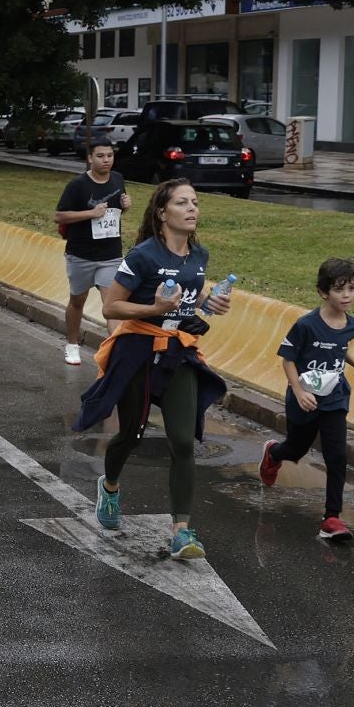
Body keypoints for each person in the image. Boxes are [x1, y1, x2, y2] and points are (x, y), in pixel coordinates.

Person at [74, 179, 233, 560]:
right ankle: (110, 486)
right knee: (130, 435)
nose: (193, 208)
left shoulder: (199, 256)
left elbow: (185, 304)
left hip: (179, 351)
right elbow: (112, 307)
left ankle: (182, 530)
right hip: (137, 351)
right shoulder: (143, 256)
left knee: (182, 440)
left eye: (195, 202)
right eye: (183, 202)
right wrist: (155, 311)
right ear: (163, 212)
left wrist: (208, 305)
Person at [260, 257, 354, 541]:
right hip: (304, 398)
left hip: (334, 398)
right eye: (339, 290)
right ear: (323, 292)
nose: (346, 296)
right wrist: (298, 391)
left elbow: (338, 349)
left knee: (337, 456)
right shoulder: (306, 325)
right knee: (296, 449)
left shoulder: (351, 325)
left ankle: (332, 518)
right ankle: (273, 454)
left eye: (352, 289)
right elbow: (288, 359)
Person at [55, 141, 132, 366]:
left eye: (109, 155)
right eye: (100, 156)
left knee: (112, 305)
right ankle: (71, 343)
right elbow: (60, 216)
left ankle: (117, 353)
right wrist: (91, 213)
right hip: (81, 254)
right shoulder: (77, 185)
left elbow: (116, 211)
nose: (106, 160)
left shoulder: (117, 179)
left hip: (111, 253)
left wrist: (126, 205)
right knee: (78, 300)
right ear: (90, 158)